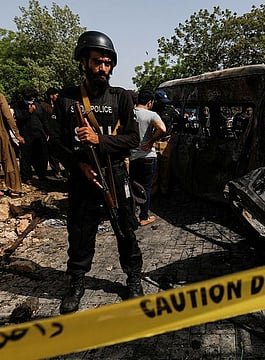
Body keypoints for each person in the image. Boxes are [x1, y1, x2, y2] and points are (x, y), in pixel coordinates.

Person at [52, 30, 144, 314]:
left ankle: (133, 278)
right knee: (80, 233)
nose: (102, 68)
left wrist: (99, 140)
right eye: (96, 62)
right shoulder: (67, 99)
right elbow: (55, 143)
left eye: (107, 63)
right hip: (82, 179)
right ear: (83, 62)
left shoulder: (121, 98)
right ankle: (77, 282)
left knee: (126, 229)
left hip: (115, 176)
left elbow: (132, 139)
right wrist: (78, 164)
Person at [130, 89, 166, 226]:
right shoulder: (152, 115)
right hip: (148, 156)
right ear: (150, 102)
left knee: (133, 186)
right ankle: (143, 217)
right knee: (146, 187)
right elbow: (162, 129)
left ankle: (131, 215)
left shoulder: (129, 113)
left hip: (133, 156)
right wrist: (151, 141)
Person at [13, 87, 49, 183]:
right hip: (26, 135)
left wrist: (47, 132)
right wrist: (29, 113)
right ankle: (27, 177)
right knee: (26, 157)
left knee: (41, 156)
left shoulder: (39, 105)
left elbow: (44, 120)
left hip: (39, 134)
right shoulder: (18, 106)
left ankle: (42, 175)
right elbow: (19, 119)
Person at [0, 92, 25, 197]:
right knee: (8, 159)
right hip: (1, 134)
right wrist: (17, 134)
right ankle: (13, 188)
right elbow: (8, 117)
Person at [41, 87, 64, 178]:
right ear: (51, 96)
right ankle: (56, 170)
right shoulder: (44, 106)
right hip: (49, 133)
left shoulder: (60, 105)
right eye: (56, 95)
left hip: (59, 132)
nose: (57, 97)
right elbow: (44, 121)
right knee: (53, 153)